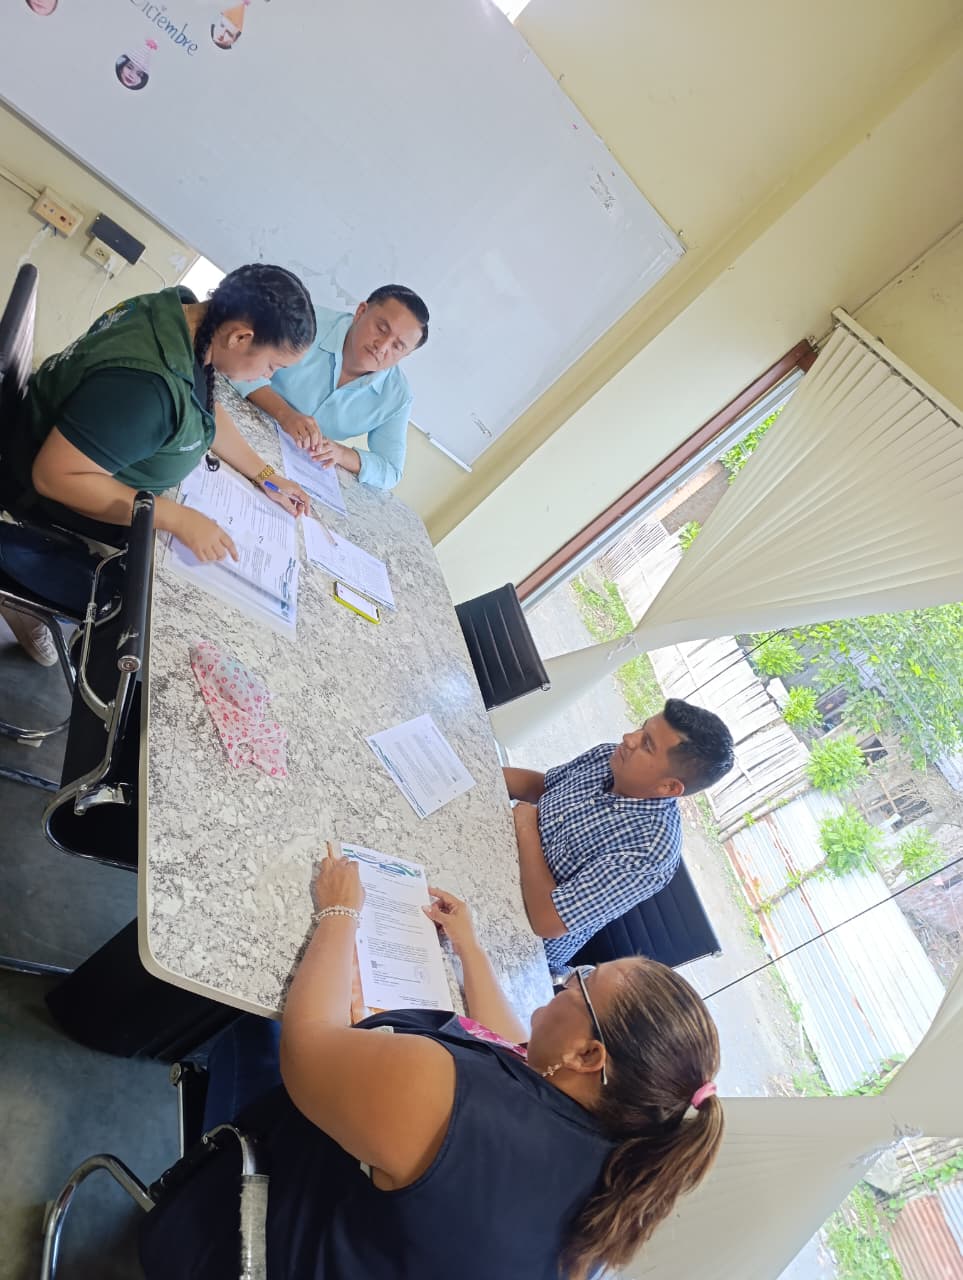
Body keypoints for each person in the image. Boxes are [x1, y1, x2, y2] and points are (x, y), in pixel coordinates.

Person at [137, 851, 724, 1280]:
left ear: (588, 1055)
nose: (570, 977)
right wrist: (468, 947)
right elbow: (519, 1051)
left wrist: (340, 909)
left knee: (254, 1023)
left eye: (585, 981)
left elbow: (307, 1047)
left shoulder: (448, 1099)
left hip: (249, 1248)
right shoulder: (619, 1175)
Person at [0, 263, 315, 664]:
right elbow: (53, 477)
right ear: (240, 337)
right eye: (273, 366)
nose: (268, 375)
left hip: (60, 442)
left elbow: (202, 406)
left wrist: (266, 476)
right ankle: (26, 593)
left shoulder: (182, 315)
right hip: (49, 501)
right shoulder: (146, 389)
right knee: (171, 627)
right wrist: (174, 517)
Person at [505, 698, 735, 971]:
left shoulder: (649, 851)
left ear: (669, 787)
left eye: (647, 744)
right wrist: (474, 772)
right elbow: (541, 787)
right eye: (642, 728)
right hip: (505, 855)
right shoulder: (611, 757)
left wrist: (526, 827)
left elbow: (547, 920)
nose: (628, 738)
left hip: (518, 938)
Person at [234, 284, 429, 490]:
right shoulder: (304, 321)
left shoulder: (397, 396)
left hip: (289, 466)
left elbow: (390, 471)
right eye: (381, 329)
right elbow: (235, 359)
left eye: (397, 346)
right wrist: (285, 414)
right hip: (238, 421)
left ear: (406, 354)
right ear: (361, 312)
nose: (382, 347)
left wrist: (341, 454)